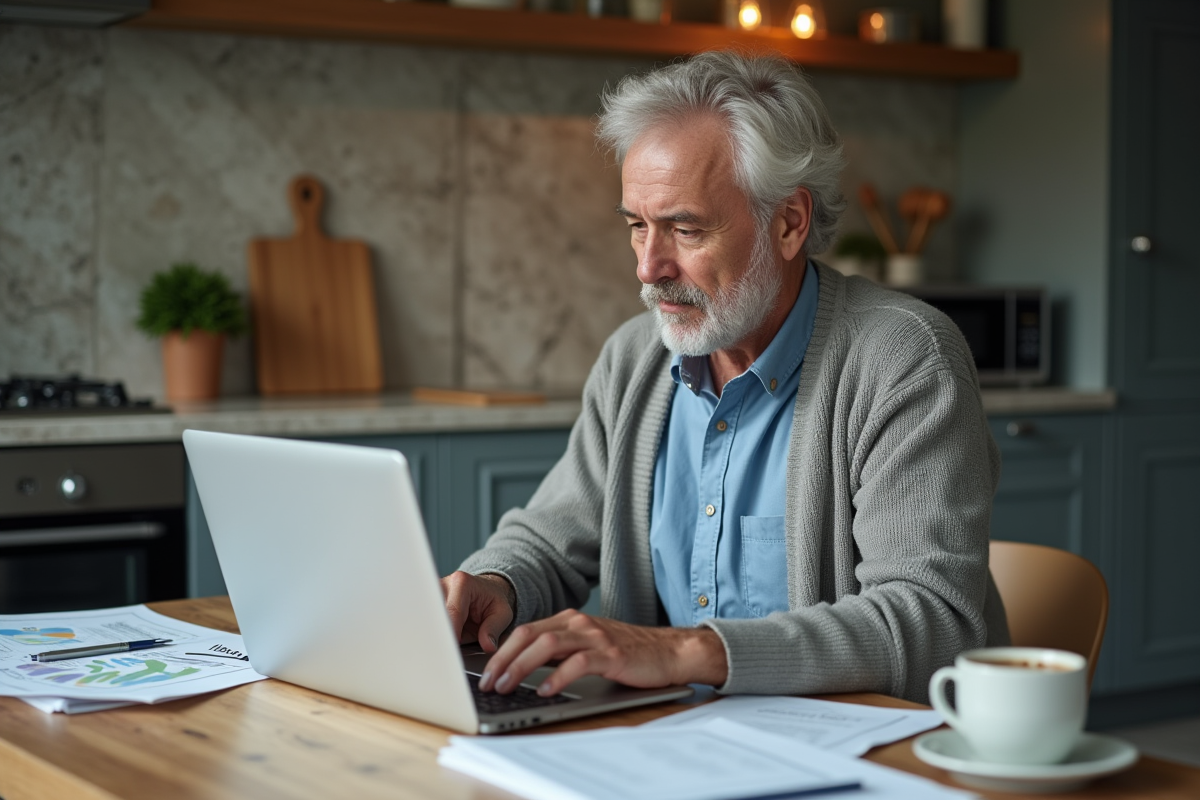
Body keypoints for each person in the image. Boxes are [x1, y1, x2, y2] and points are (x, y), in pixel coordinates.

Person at [440, 50, 1008, 705]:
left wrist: (686, 652)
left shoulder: (902, 360)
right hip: (672, 748)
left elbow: (931, 622)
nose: (648, 268)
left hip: (853, 756)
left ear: (789, 222)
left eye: (685, 229)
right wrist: (495, 582)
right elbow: (550, 536)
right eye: (636, 228)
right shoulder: (634, 359)